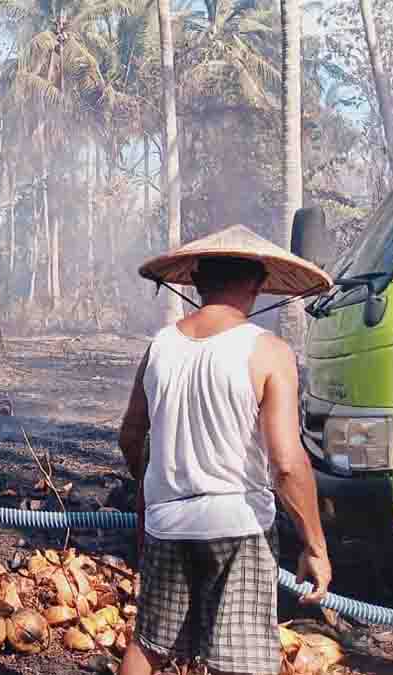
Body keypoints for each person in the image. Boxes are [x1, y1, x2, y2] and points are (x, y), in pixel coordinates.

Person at [119, 226, 334, 675]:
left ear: (198, 282)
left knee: (148, 647)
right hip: (239, 527)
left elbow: (131, 437)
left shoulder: (160, 346)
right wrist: (315, 546)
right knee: (240, 663)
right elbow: (287, 465)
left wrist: (149, 497)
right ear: (257, 284)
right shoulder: (269, 351)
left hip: (166, 524)